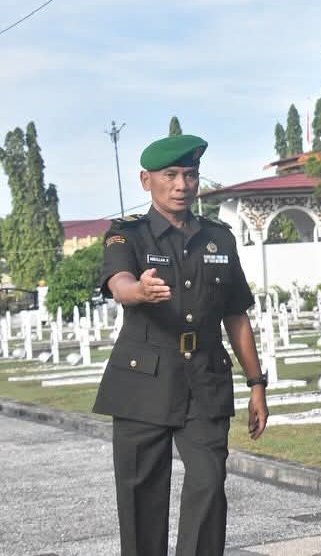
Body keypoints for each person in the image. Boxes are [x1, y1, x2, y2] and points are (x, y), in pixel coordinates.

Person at [93, 134, 268, 556]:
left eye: (189, 175)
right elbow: (118, 283)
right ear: (145, 180)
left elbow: (236, 314)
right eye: (169, 175)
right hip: (143, 380)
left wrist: (256, 384)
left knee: (209, 483)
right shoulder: (127, 235)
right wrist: (139, 291)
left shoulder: (218, 238)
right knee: (142, 496)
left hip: (204, 377)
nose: (181, 185)